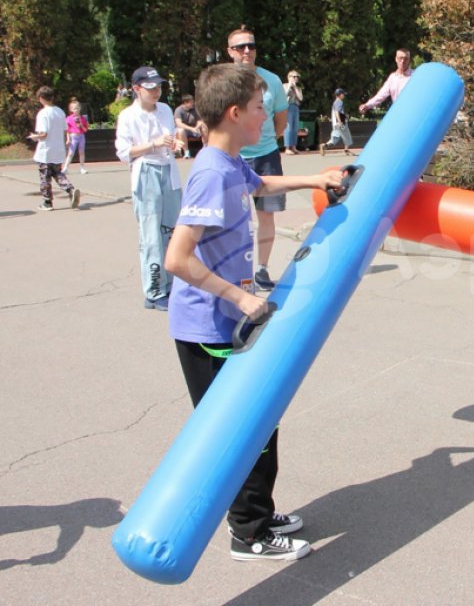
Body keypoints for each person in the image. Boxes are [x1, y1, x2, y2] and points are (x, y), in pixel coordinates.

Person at [165, 63, 343, 561]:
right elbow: (176, 258)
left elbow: (259, 185)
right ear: (234, 113)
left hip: (228, 321)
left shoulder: (229, 162)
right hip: (207, 328)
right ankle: (249, 532)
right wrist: (240, 297)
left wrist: (317, 179)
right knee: (240, 429)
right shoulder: (209, 174)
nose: (267, 116)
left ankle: (257, 512)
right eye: (260, 107)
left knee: (261, 421)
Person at [114, 66, 186, 311]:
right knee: (151, 235)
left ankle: (174, 283)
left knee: (173, 231)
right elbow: (124, 152)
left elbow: (172, 138)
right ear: (136, 89)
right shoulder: (128, 116)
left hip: (169, 171)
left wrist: (176, 144)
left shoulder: (164, 109)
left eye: (159, 87)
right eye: (150, 88)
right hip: (146, 172)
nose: (156, 91)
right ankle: (155, 290)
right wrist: (153, 144)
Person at [226, 25, 288, 291]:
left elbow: (281, 119)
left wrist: (265, 139)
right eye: (240, 47)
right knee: (233, 218)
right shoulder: (224, 81)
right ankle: (235, 271)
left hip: (266, 157)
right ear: (230, 51)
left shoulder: (271, 80)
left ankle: (261, 269)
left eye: (251, 45)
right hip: (233, 157)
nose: (247, 51)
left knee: (266, 216)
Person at [28, 86, 80, 212]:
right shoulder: (60, 112)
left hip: (46, 150)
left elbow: (43, 133)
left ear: (41, 98)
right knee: (57, 173)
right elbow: (65, 129)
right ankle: (70, 189)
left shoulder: (43, 113)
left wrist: (34, 137)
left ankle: (47, 202)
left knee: (45, 177)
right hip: (58, 149)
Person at [358, 48, 413, 114]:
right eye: (400, 58)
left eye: (406, 59)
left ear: (409, 60)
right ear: (396, 59)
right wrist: (367, 105)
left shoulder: (415, 75)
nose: (403, 61)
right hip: (398, 113)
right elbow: (381, 95)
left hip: (412, 113)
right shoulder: (392, 78)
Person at [320, 88, 353, 156]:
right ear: (340, 95)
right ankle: (346, 150)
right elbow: (337, 112)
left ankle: (324, 145)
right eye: (343, 94)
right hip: (340, 122)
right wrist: (340, 121)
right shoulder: (339, 102)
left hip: (335, 123)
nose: (344, 95)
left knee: (335, 138)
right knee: (347, 136)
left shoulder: (335, 102)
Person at [174, 94, 206, 159]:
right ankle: (186, 152)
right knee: (181, 130)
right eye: (191, 102)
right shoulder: (178, 110)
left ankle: (205, 148)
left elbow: (200, 120)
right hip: (185, 130)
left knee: (204, 126)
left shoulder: (195, 109)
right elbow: (179, 123)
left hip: (194, 129)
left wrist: (196, 127)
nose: (193, 104)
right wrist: (191, 129)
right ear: (185, 103)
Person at [63, 99, 89, 174]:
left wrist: (81, 125)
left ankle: (82, 167)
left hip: (81, 136)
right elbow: (68, 130)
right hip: (73, 136)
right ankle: (65, 168)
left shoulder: (83, 118)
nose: (76, 110)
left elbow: (85, 130)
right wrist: (68, 139)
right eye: (74, 108)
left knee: (81, 152)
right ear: (71, 109)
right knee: (70, 153)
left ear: (80, 108)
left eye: (77, 108)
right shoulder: (69, 118)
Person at [282, 70, 302, 155]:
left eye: (297, 76)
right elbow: (283, 96)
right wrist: (289, 86)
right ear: (289, 77)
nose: (296, 78)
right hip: (287, 107)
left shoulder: (298, 88)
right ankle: (287, 147)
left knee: (295, 127)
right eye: (294, 76)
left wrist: (295, 88)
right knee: (288, 127)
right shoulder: (284, 86)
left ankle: (293, 147)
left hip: (295, 107)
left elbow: (300, 98)